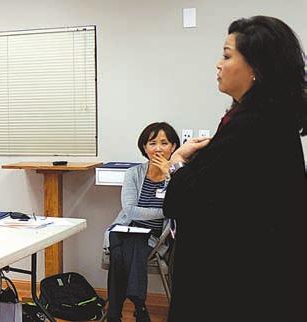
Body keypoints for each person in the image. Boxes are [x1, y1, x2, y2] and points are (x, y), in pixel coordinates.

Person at [164, 16, 307, 321]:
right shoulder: (268, 118)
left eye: (227, 56)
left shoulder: (252, 126)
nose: (218, 64)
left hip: (236, 285)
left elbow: (192, 198)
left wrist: (177, 162)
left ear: (257, 67)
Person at [104, 122, 179, 322]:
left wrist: (168, 175)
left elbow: (179, 206)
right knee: (124, 240)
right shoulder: (133, 173)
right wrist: (164, 211)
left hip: (156, 237)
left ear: (173, 146)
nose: (158, 148)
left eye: (164, 143)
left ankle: (115, 312)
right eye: (152, 143)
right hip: (127, 229)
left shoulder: (178, 175)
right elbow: (130, 211)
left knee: (122, 249)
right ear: (144, 148)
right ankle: (139, 306)